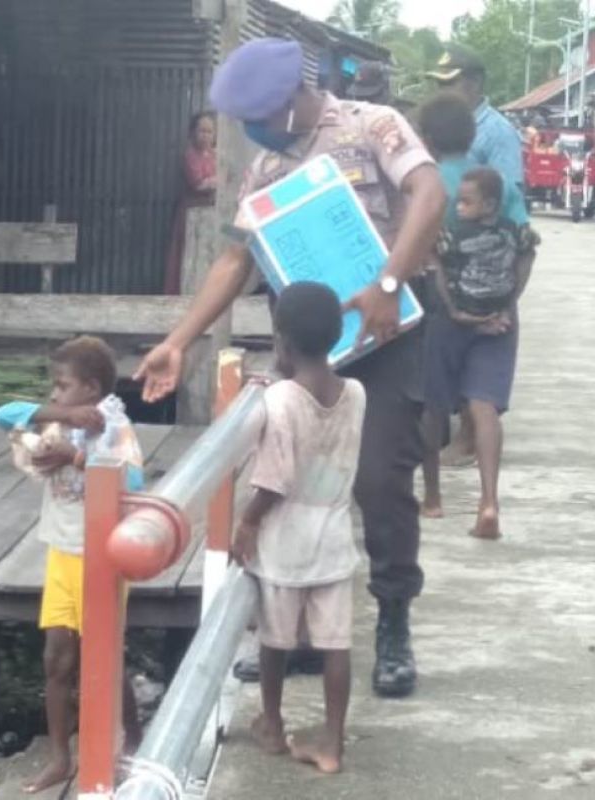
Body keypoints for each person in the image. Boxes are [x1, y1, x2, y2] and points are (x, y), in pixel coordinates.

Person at [134, 38, 446, 699]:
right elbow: (235, 260)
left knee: (380, 482)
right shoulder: (267, 168)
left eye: (256, 116)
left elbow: (428, 193)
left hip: (386, 335)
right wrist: (179, 341)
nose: (251, 130)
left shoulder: (372, 125)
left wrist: (389, 283)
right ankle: (300, 634)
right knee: (292, 485)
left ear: (290, 99)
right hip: (306, 354)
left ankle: (393, 623)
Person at [0, 336, 144, 793]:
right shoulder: (58, 420)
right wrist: (61, 416)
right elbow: (3, 414)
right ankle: (60, 757)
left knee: (105, 658)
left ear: (92, 388)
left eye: (63, 386)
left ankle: (131, 737)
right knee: (56, 660)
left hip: (102, 559)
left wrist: (77, 457)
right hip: (62, 553)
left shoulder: (114, 427)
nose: (54, 394)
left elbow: (133, 478)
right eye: (53, 387)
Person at [231, 282, 366, 775]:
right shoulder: (357, 393)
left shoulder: (281, 399)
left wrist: (247, 521)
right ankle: (331, 740)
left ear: (281, 341)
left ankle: (270, 721)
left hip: (286, 541)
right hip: (334, 535)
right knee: (335, 644)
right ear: (335, 335)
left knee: (275, 640)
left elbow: (274, 478)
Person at [415, 93, 536, 524]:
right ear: (471, 136)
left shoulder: (426, 183)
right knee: (484, 407)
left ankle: (432, 499)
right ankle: (489, 502)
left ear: (426, 139)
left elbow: (422, 254)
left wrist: (454, 307)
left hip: (445, 311)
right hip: (500, 313)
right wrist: (506, 304)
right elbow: (525, 247)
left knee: (432, 407)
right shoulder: (494, 184)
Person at [427, 45, 524, 194]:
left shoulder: (499, 133)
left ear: (475, 83)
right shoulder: (433, 125)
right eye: (439, 84)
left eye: (449, 83)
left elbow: (510, 198)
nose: (442, 91)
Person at [164, 112, 218, 294]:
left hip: (211, 214)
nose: (206, 136)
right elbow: (199, 184)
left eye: (210, 132)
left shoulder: (215, 155)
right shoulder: (190, 156)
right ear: (193, 133)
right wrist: (219, 180)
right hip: (191, 212)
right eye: (202, 131)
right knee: (188, 254)